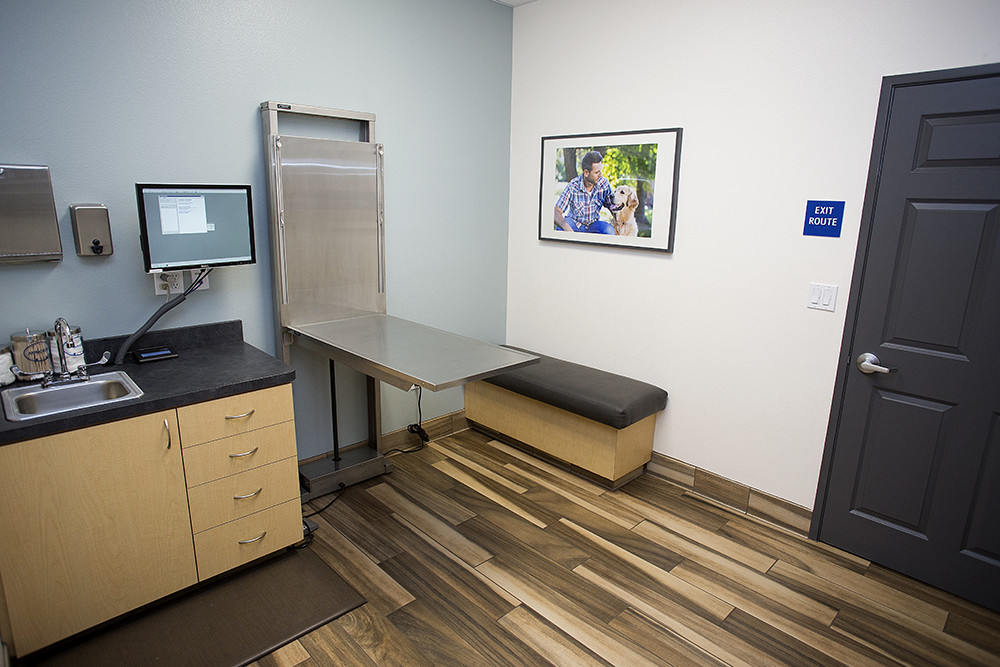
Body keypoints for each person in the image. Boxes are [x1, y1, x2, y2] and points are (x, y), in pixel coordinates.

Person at [554, 150, 616, 234]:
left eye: (600, 171)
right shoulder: (573, 186)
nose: (600, 175)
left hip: (594, 225)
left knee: (609, 230)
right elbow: (557, 211)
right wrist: (566, 228)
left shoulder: (603, 184)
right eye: (597, 172)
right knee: (561, 228)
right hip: (575, 224)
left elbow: (613, 207)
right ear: (586, 173)